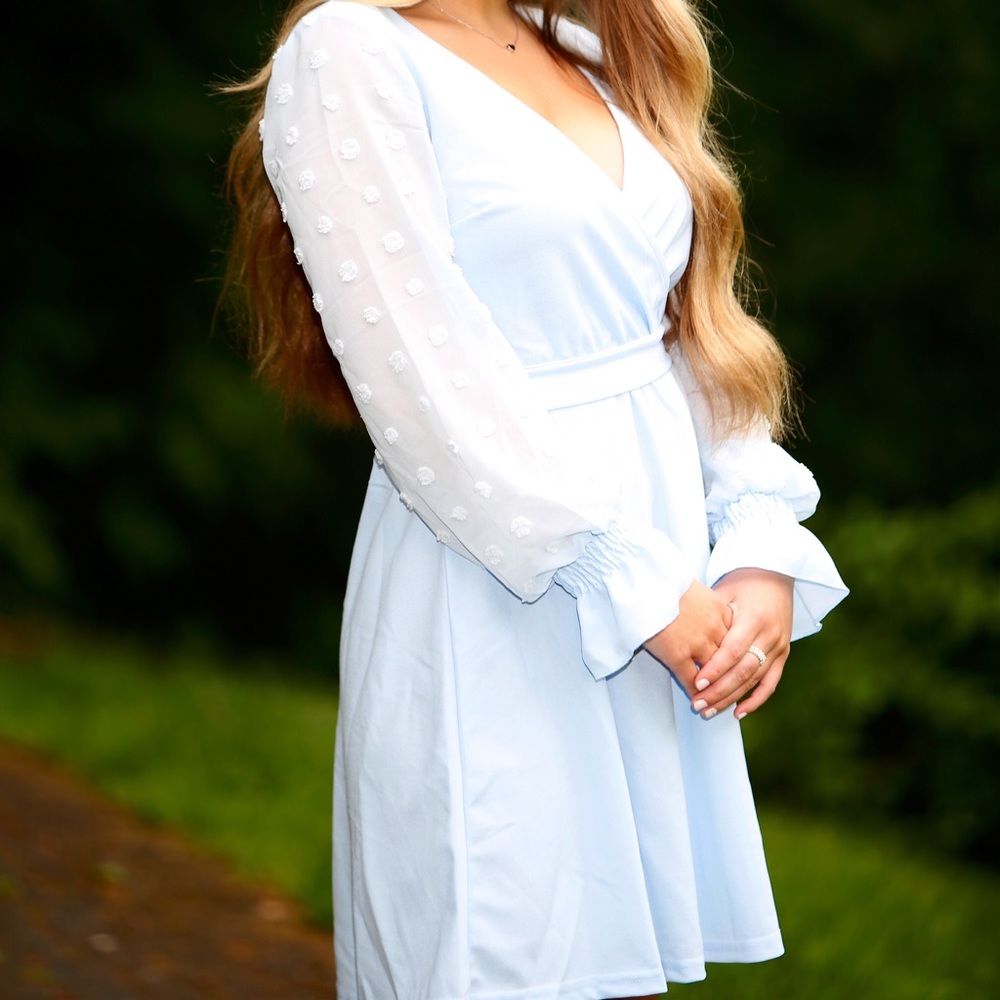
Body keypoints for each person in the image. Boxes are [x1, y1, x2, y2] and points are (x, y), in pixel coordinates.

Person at [224, 1, 848, 997]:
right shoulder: (350, 48)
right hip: (497, 593)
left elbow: (684, 335)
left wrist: (757, 540)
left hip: (655, 603)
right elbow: (418, 382)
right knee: (495, 960)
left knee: (620, 973)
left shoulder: (592, 44)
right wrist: (623, 572)